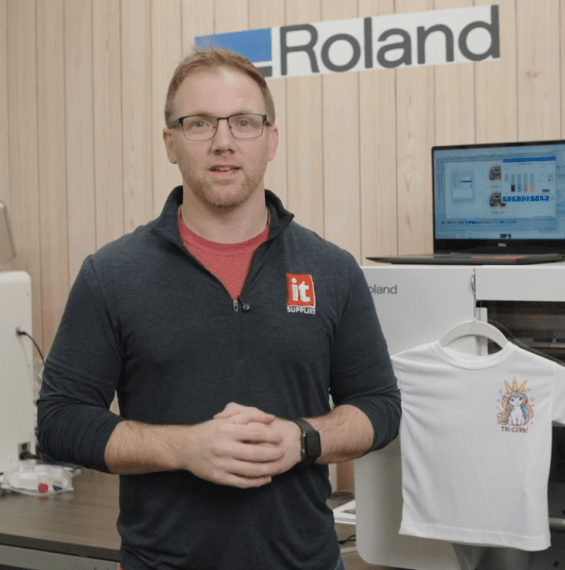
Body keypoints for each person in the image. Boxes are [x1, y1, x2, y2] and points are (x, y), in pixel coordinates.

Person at [37, 47, 401, 570]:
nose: (223, 142)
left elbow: (380, 406)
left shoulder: (332, 270)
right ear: (170, 142)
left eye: (244, 122)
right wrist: (184, 447)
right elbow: (59, 421)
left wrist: (302, 439)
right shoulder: (112, 274)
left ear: (271, 139)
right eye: (200, 123)